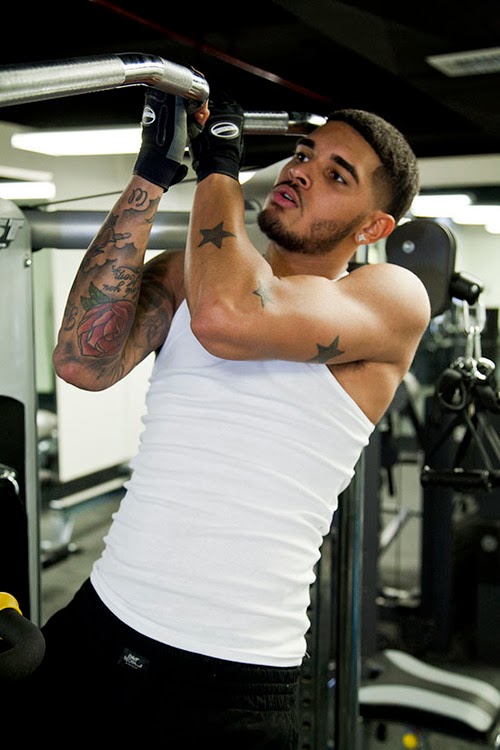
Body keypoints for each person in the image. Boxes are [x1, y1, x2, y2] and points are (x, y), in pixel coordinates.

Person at [18, 86, 430, 746]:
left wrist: (219, 169)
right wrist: (153, 172)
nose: (303, 171)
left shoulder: (390, 298)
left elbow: (226, 319)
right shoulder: (192, 275)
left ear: (374, 227)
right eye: (305, 154)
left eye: (337, 175)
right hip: (101, 623)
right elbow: (81, 362)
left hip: (230, 679)